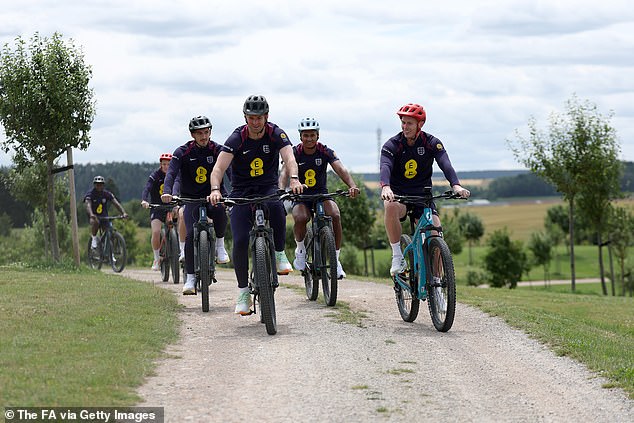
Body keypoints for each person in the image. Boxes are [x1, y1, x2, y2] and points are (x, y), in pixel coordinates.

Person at [209, 94, 303, 315]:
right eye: (251, 118)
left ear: (266, 117)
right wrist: (215, 190)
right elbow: (218, 169)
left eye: (259, 117)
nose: (256, 122)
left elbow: (289, 159)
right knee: (240, 239)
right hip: (241, 191)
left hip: (268, 186)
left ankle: (279, 253)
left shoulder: (276, 133)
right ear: (245, 118)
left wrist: (294, 178)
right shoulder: (236, 138)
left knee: (278, 207)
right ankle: (243, 292)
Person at [380, 103, 470, 276]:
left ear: (420, 125)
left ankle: (436, 282)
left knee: (435, 234)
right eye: (403, 123)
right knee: (389, 206)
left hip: (423, 196)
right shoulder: (392, 145)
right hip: (398, 196)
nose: (405, 127)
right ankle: (397, 256)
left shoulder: (431, 143)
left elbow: (445, 164)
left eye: (409, 123)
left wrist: (456, 185)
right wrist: (385, 187)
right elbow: (385, 166)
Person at [279, 117, 360, 279]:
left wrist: (352, 185)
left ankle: (335, 261)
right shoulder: (294, 152)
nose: (309, 138)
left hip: (322, 195)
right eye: (306, 135)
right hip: (301, 197)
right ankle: (300, 250)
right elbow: (284, 172)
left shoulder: (324, 151)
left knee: (335, 214)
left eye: (312, 135)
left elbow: (340, 169)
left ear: (318, 136)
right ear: (300, 136)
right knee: (301, 217)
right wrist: (281, 190)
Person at [161, 115, 230, 295]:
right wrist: (167, 192)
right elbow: (171, 173)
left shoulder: (218, 150)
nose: (204, 137)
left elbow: (230, 171)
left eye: (206, 132)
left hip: (213, 195)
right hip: (191, 198)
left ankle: (219, 246)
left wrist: (233, 192)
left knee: (221, 212)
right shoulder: (182, 152)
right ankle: (190, 278)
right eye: (200, 133)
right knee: (191, 234)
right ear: (193, 134)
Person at [141, 153, 175, 271]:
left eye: (169, 164)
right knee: (156, 231)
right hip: (157, 207)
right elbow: (147, 188)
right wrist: (145, 200)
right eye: (164, 164)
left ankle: (178, 248)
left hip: (171, 206)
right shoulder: (155, 175)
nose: (166, 166)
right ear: (160, 164)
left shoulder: (175, 175)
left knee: (182, 221)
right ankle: (156, 258)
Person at [84, 176, 128, 249]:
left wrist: (123, 213)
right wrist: (91, 214)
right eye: (97, 184)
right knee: (96, 222)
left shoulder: (106, 194)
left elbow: (116, 203)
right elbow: (88, 205)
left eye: (101, 184)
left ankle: (110, 253)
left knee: (110, 232)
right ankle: (94, 239)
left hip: (104, 216)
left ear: (103, 185)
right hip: (93, 216)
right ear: (94, 185)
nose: (99, 186)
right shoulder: (90, 194)